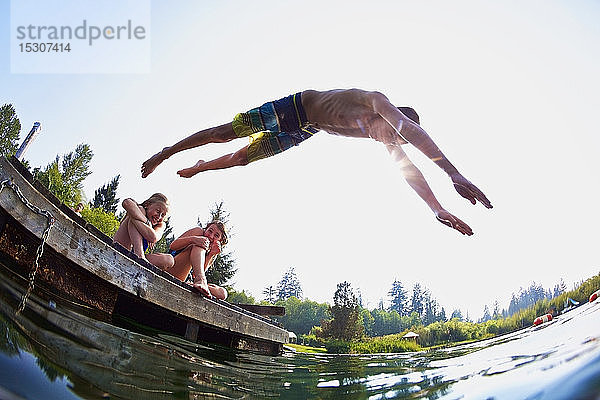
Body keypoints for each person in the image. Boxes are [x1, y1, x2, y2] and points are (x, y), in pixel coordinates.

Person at [141, 89, 492, 235]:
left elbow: (408, 168)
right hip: (296, 108)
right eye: (393, 135)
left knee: (242, 159)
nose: (391, 142)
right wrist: (453, 172)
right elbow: (409, 129)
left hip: (306, 128)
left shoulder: (382, 135)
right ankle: (165, 152)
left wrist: (435, 208)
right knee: (223, 134)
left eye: (394, 141)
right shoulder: (377, 103)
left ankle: (202, 167)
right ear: (395, 119)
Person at [165, 220, 229, 299]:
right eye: (210, 231)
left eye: (216, 235)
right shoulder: (198, 232)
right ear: (206, 229)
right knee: (200, 244)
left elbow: (195, 273)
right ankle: (201, 280)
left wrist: (211, 254)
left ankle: (197, 283)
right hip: (172, 267)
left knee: (222, 293)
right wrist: (193, 239)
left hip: (187, 279)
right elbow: (173, 246)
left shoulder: (212, 251)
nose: (211, 236)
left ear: (219, 241)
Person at [113, 193, 174, 269]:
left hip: (135, 256)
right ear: (147, 204)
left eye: (163, 215)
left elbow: (153, 237)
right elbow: (126, 202)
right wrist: (147, 223)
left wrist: (145, 225)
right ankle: (139, 255)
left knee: (169, 260)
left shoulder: (160, 225)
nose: (159, 217)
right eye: (158, 211)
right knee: (139, 210)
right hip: (122, 248)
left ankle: (139, 257)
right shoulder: (140, 209)